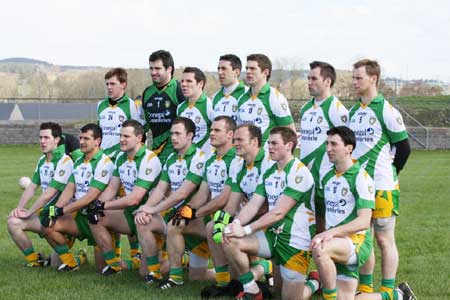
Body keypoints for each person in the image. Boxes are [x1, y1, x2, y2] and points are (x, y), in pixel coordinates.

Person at [312, 126, 415, 300]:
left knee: (320, 249)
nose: (328, 149)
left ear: (349, 148)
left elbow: (363, 221)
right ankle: (397, 296)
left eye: (333, 144)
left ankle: (327, 296)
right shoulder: (327, 177)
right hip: (337, 243)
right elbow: (322, 214)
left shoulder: (361, 177)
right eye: (327, 144)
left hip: (356, 242)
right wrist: (322, 232)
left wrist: (328, 234)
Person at [223, 126, 315, 300]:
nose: (269, 147)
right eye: (268, 143)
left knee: (286, 297)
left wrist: (246, 229)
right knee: (230, 239)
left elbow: (278, 213)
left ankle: (314, 283)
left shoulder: (299, 172)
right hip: (272, 236)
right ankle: (252, 291)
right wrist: (235, 224)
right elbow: (253, 205)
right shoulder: (270, 171)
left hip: (294, 242)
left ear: (289, 145)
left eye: (274, 143)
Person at [348, 59, 411, 297]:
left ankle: (388, 290)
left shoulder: (386, 111)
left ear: (373, 78)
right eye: (353, 77)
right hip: (360, 187)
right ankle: (365, 289)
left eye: (358, 78)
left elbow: (404, 149)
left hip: (383, 187)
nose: (354, 82)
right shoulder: (354, 112)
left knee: (384, 240)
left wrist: (389, 175)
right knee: (363, 238)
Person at [157, 116, 243, 290]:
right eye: (211, 130)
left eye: (216, 130)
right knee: (176, 224)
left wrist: (195, 213)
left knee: (240, 277)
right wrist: (188, 209)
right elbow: (203, 194)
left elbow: (223, 199)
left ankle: (266, 267)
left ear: (230, 135)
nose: (211, 134)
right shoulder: (211, 160)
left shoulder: (236, 159)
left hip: (236, 219)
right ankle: (175, 278)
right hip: (212, 217)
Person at [134, 116, 210, 286]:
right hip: (175, 217)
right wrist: (146, 208)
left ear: (190, 136)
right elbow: (161, 189)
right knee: (143, 221)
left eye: (178, 134)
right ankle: (154, 272)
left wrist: (153, 209)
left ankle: (265, 266)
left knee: (198, 278)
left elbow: (182, 193)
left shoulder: (200, 158)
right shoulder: (171, 159)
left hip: (196, 219)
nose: (173, 138)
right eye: (171, 134)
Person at [202, 124, 275, 299]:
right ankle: (223, 282)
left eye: (239, 139)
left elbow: (266, 207)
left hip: (272, 224)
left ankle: (265, 269)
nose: (235, 143)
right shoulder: (237, 163)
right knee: (213, 227)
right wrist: (221, 223)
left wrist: (239, 225)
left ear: (255, 141)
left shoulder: (268, 163)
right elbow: (232, 203)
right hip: (251, 218)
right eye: (234, 139)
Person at [87, 120, 162, 275]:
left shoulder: (149, 159)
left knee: (145, 273)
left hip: (154, 214)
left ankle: (181, 261)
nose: (121, 139)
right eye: (120, 135)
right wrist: (97, 205)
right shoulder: (121, 158)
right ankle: (114, 265)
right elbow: (112, 189)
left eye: (126, 136)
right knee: (95, 217)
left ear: (139, 138)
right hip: (132, 212)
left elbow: (135, 198)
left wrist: (103, 206)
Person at [41, 123, 115, 272]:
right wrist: (53, 211)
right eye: (80, 138)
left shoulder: (104, 163)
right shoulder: (79, 161)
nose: (81, 142)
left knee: (102, 268)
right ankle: (71, 263)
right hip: (80, 217)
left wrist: (62, 211)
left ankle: (132, 262)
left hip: (98, 219)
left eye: (86, 138)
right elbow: (69, 189)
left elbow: (89, 197)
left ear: (98, 141)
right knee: (48, 226)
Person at [7, 122, 75, 267]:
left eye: (46, 137)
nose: (42, 142)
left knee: (56, 265)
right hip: (46, 215)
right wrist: (19, 209)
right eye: (40, 138)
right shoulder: (42, 160)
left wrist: (29, 212)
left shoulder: (65, 161)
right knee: (13, 221)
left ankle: (79, 259)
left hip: (62, 217)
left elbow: (50, 193)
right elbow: (31, 187)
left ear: (56, 140)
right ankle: (35, 260)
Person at [299, 61, 348, 183]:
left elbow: (347, 146)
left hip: (326, 180)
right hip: (304, 179)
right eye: (308, 78)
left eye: (314, 79)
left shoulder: (337, 110)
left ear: (327, 82)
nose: (309, 82)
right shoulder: (305, 109)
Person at [237, 54, 296, 149]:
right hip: (246, 160)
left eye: (252, 69)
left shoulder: (275, 97)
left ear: (265, 72)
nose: (248, 72)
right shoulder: (242, 99)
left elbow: (290, 133)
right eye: (247, 68)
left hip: (267, 160)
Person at [142, 50, 185, 164]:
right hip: (155, 154)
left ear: (169, 69)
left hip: (176, 156)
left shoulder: (179, 90)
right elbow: (144, 125)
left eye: (157, 68)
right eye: (151, 68)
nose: (153, 72)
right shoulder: (147, 92)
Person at [97, 68, 145, 160]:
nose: (109, 87)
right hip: (102, 157)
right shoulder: (100, 105)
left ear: (123, 85)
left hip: (121, 157)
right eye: (107, 84)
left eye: (112, 84)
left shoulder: (132, 106)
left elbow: (140, 134)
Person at [177, 67, 214, 157]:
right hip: (186, 159)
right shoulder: (180, 107)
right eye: (182, 81)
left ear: (200, 83)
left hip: (205, 158)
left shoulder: (209, 105)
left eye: (189, 81)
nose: (184, 84)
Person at [211, 54, 247, 121]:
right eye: (218, 68)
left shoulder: (248, 93)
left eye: (224, 68)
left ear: (236, 72)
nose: (219, 72)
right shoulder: (215, 97)